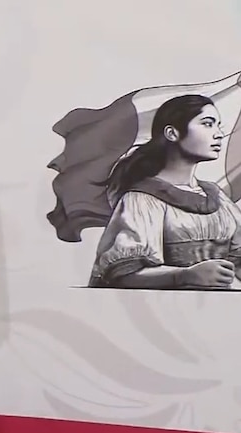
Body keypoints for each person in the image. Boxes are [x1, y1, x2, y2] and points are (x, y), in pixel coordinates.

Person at [90, 94, 241, 290]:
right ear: (172, 133)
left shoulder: (217, 196)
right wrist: (186, 276)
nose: (219, 134)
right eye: (207, 124)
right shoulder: (142, 199)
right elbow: (122, 274)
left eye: (218, 125)